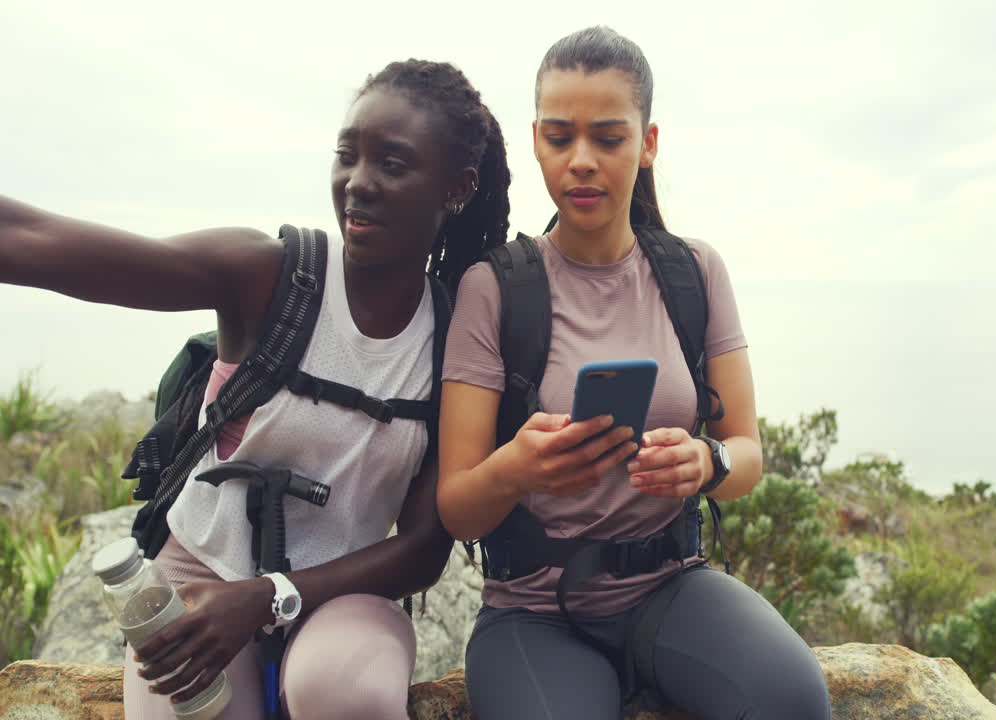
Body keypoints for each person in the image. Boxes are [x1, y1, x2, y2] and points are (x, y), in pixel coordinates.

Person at [0, 59, 510, 720]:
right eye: (347, 157)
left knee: (348, 693)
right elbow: (39, 239)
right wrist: (234, 595)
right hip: (199, 577)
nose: (359, 183)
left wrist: (268, 595)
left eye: (392, 163)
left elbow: (420, 549)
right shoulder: (272, 279)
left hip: (342, 597)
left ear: (457, 187)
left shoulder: (453, 338)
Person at [438, 26, 830, 720]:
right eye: (559, 138)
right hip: (533, 613)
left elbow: (745, 454)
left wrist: (703, 462)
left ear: (648, 144)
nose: (581, 161)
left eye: (609, 138)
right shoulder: (494, 288)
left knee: (793, 699)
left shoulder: (693, 271)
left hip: (671, 589)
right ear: (535, 140)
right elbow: (456, 504)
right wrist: (517, 470)